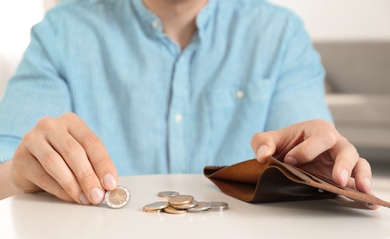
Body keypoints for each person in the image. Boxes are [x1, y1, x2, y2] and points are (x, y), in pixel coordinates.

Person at [0, 0, 376, 209]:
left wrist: (325, 177)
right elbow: (5, 175)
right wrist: (19, 173)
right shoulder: (60, 33)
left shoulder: (280, 35)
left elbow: (310, 163)